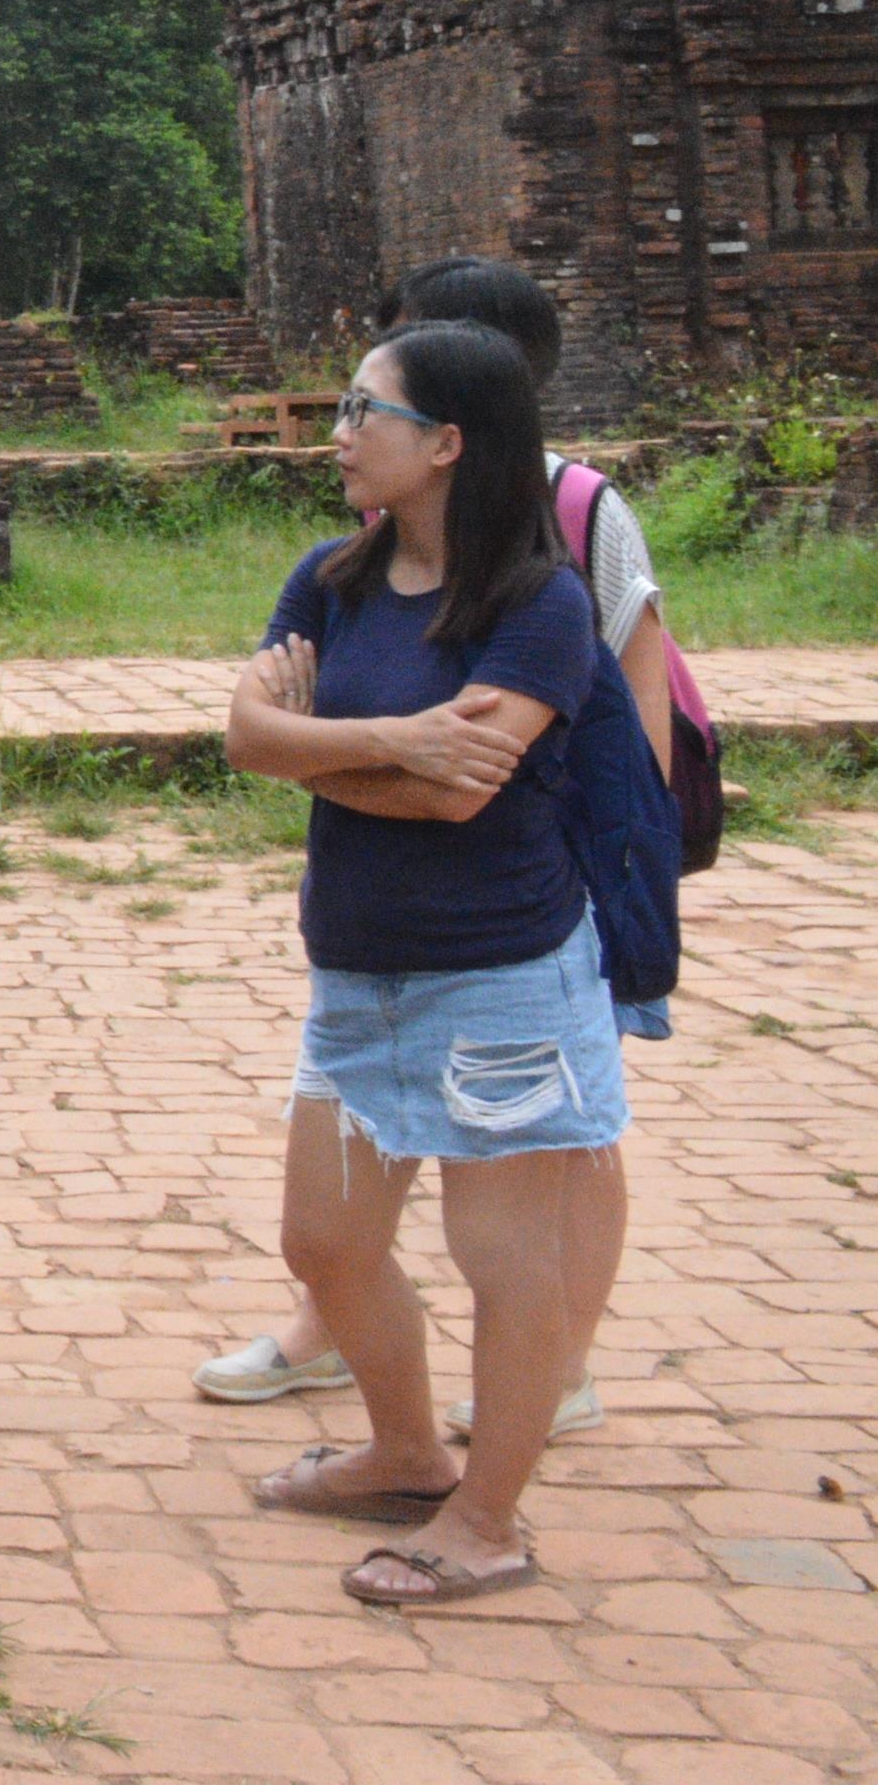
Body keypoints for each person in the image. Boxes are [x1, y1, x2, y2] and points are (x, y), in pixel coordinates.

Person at [194, 257, 665, 1440]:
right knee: (325, 1239)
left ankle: (488, 1516)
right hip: (357, 960)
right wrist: (390, 739)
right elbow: (248, 734)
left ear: (448, 441)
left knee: (501, 1255)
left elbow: (464, 795)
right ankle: (404, 1457)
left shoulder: (535, 599)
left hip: (499, 962)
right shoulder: (334, 575)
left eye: (366, 409)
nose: (341, 431)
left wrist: (318, 751)